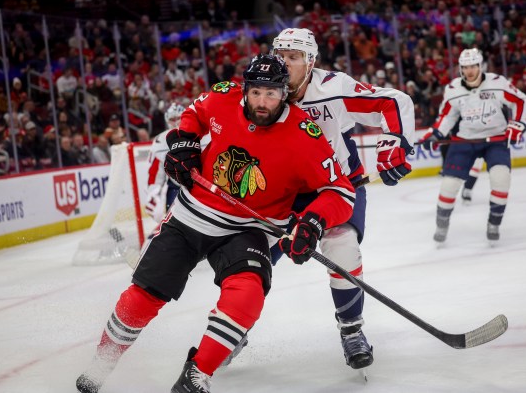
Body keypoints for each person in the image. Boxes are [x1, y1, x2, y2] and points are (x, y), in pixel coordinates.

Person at [75, 53, 355, 393]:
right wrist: (185, 141)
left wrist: (313, 222)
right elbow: (194, 112)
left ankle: (197, 374)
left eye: (271, 94)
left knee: (248, 293)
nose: (262, 102)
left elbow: (341, 192)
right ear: (245, 90)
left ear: (286, 94)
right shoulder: (223, 96)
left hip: (251, 229)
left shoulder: (304, 135)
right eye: (256, 92)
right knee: (145, 293)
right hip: (192, 213)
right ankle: (101, 364)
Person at [240, 28, 413, 372]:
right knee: (249, 260)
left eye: (294, 57)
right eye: (282, 55)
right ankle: (234, 328)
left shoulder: (333, 88)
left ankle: (351, 330)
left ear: (311, 61)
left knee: (343, 245)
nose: (286, 63)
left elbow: (392, 101)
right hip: (281, 194)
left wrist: (397, 142)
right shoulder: (262, 91)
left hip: (336, 186)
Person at [419, 48, 526, 244]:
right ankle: (442, 224)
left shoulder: (497, 83)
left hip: (496, 139)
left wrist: (516, 125)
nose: (469, 71)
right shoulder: (453, 89)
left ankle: (494, 223)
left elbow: (521, 101)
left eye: (473, 66)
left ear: (480, 66)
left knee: (501, 178)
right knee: (449, 185)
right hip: (465, 140)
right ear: (461, 69)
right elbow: (447, 116)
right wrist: (435, 133)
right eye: (465, 67)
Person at [144, 103, 186, 223]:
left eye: (179, 117)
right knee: (173, 222)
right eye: (172, 119)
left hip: (201, 186)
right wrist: (153, 193)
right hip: (176, 188)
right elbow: (155, 171)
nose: (176, 122)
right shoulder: (161, 141)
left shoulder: (201, 132)